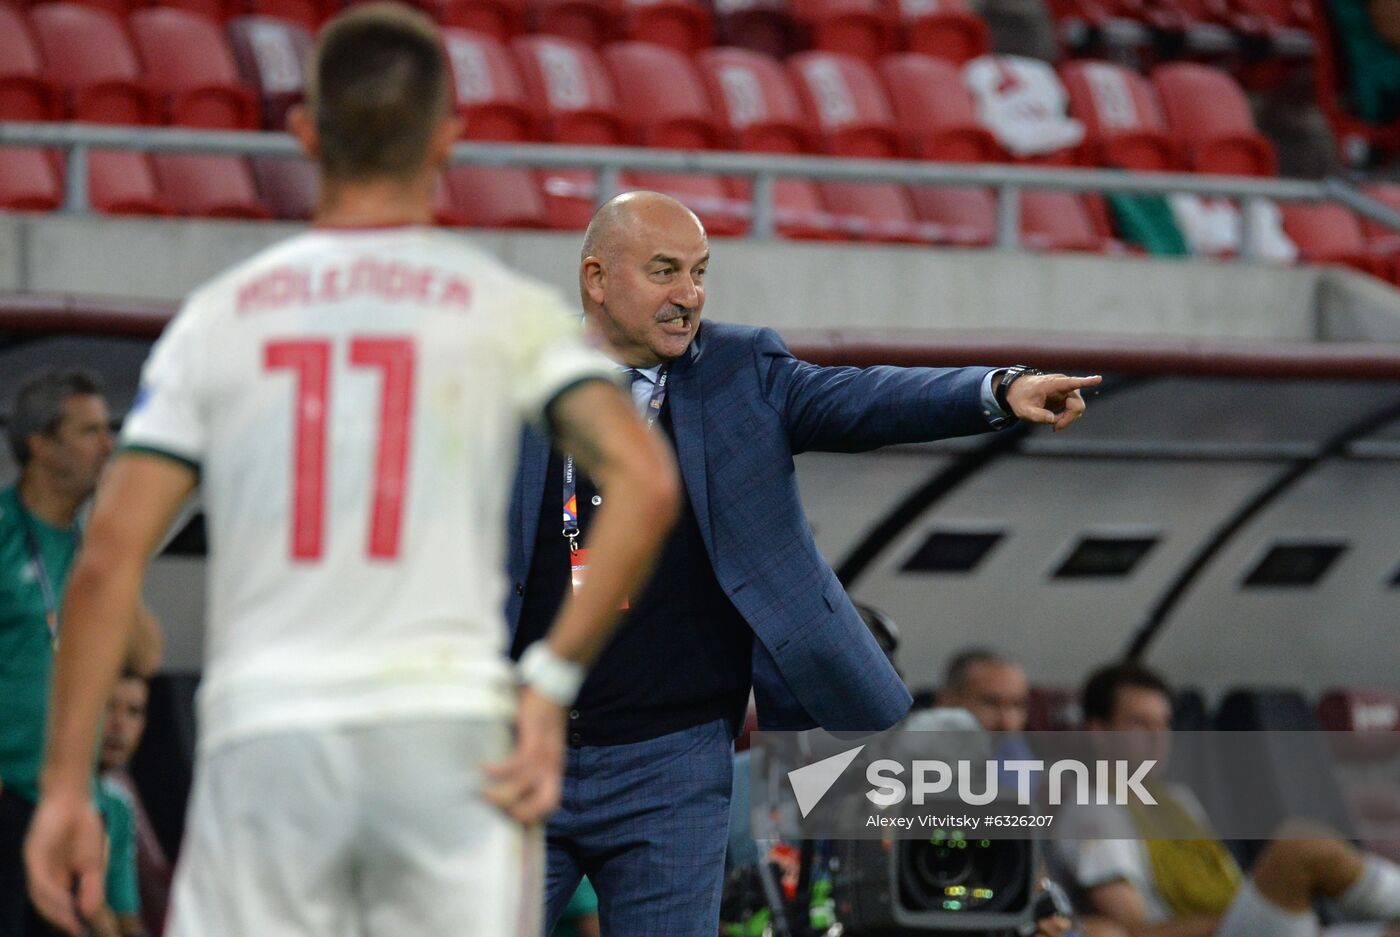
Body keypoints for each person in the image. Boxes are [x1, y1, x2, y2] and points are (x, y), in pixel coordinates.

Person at [23, 6, 680, 936]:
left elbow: (106, 560)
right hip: (448, 732)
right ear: (448, 139)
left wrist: (65, 788)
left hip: (270, 732)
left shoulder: (223, 317)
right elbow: (646, 484)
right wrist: (549, 682)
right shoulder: (500, 309)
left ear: (304, 133)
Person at [505, 189, 1103, 935]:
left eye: (699, 273)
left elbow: (869, 398)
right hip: (523, 742)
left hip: (672, 761)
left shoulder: (739, 371)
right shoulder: (514, 373)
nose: (687, 296)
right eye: (664, 272)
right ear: (596, 277)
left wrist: (997, 390)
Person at [1054, 661, 1400, 937]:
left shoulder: (1176, 799)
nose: (1158, 738)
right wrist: (1248, 916)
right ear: (1097, 733)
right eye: (1140, 725)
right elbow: (1132, 930)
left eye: (1164, 724)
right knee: (1299, 846)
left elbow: (1229, 886)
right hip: (1218, 931)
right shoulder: (1092, 808)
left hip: (1242, 924)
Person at [1, 370, 161, 937]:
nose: (108, 447)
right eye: (90, 431)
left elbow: (146, 655)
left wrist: (109, 539)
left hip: (71, 806)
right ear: (41, 445)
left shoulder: (90, 547)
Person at [97, 673, 169, 937]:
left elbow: (126, 917)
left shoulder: (120, 805)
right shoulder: (32, 796)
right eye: (107, 706)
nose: (119, 725)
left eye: (134, 712)